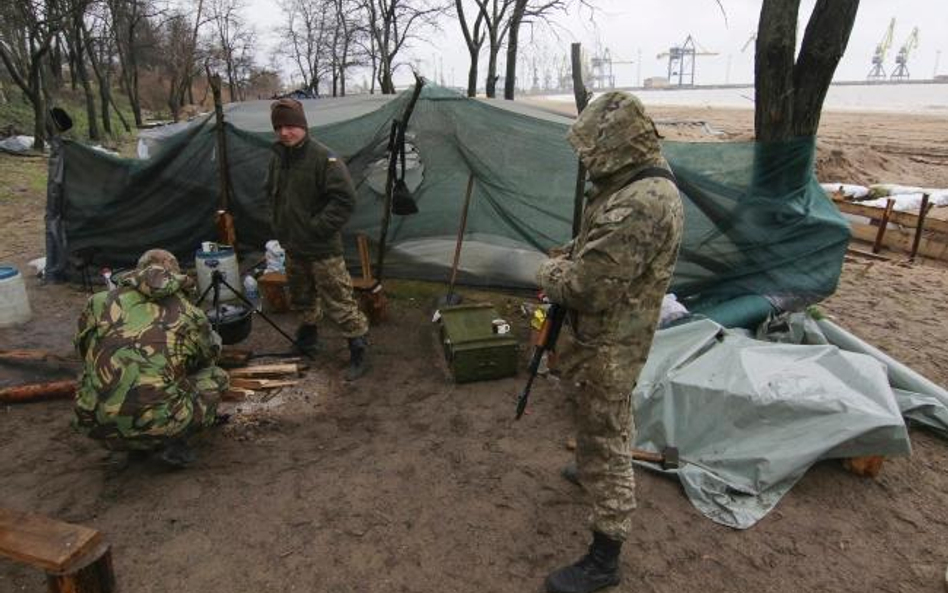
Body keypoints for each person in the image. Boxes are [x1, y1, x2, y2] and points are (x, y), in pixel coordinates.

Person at [536, 92, 684, 593]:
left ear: (617, 144)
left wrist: (549, 270)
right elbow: (599, 246)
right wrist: (573, 255)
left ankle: (605, 555)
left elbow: (590, 287)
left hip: (611, 343)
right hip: (601, 336)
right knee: (599, 416)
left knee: (607, 434)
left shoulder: (643, 200)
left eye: (592, 148)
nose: (584, 158)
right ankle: (591, 468)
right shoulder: (629, 181)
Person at [73, 249, 229, 467]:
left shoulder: (98, 302)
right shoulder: (188, 311)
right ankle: (170, 440)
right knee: (216, 377)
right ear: (174, 276)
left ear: (137, 273)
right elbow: (207, 358)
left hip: (93, 422)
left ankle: (120, 437)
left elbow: (83, 350)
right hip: (159, 422)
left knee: (92, 375)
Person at [266, 98, 370, 381]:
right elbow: (271, 195)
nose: (285, 132)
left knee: (339, 300)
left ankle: (358, 347)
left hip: (322, 248)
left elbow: (345, 200)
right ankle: (308, 339)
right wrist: (280, 225)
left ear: (302, 126)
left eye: (290, 126)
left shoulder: (324, 159)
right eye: (279, 127)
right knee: (301, 297)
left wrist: (316, 227)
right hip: (293, 245)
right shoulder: (279, 158)